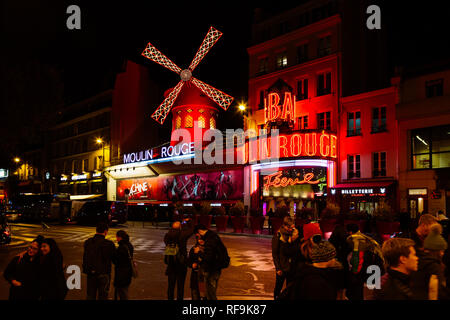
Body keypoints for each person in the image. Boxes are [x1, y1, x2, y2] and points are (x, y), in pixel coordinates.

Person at [346, 223, 384, 300]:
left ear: (350, 232)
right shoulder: (366, 238)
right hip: (375, 268)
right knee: (372, 293)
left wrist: (354, 274)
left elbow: (357, 262)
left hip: (368, 272)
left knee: (365, 293)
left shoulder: (356, 240)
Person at [411, 224, 449, 300]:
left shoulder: (417, 261)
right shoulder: (434, 266)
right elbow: (440, 291)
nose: (442, 254)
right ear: (434, 251)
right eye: (441, 251)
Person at [195, 223, 229, 300]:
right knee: (211, 291)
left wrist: (199, 252)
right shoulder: (213, 236)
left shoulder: (210, 239)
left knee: (210, 293)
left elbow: (208, 256)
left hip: (212, 268)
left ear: (200, 231)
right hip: (217, 267)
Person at [82, 222, 116, 300]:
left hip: (91, 272)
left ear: (96, 230)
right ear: (105, 231)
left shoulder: (88, 242)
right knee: (103, 296)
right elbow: (114, 259)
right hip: (104, 272)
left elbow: (85, 256)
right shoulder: (109, 244)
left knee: (90, 295)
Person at [164, 218, 194, 300]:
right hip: (181, 262)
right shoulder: (182, 235)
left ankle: (170, 298)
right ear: (180, 227)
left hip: (171, 263)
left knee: (171, 285)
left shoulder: (167, 236)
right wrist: (188, 221)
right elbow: (192, 229)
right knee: (180, 286)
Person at [271, 216, 299, 299]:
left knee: (290, 289)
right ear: (284, 225)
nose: (291, 229)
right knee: (278, 287)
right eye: (289, 227)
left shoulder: (295, 235)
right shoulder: (278, 236)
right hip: (282, 267)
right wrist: (278, 268)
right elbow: (275, 254)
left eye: (292, 227)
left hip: (292, 267)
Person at [113, 230, 134, 300]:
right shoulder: (129, 245)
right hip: (128, 272)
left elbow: (117, 261)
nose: (116, 239)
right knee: (125, 291)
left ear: (120, 237)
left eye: (117, 237)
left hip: (121, 274)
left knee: (122, 293)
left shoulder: (121, 248)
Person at [188, 233, 205, 300]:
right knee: (195, 293)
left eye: (202, 238)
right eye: (199, 238)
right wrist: (192, 265)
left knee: (203, 295)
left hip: (204, 276)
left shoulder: (208, 249)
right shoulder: (193, 248)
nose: (200, 240)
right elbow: (189, 260)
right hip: (195, 275)